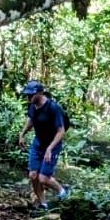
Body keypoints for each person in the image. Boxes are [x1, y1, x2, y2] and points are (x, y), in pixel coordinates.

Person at [18, 80, 69, 211]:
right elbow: (31, 120)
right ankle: (43, 204)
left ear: (40, 93)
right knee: (33, 175)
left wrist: (50, 149)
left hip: (52, 145)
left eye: (31, 95)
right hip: (38, 143)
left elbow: (61, 131)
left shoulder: (53, 108)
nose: (28, 97)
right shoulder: (32, 106)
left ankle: (62, 191)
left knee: (43, 178)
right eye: (27, 95)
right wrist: (22, 134)